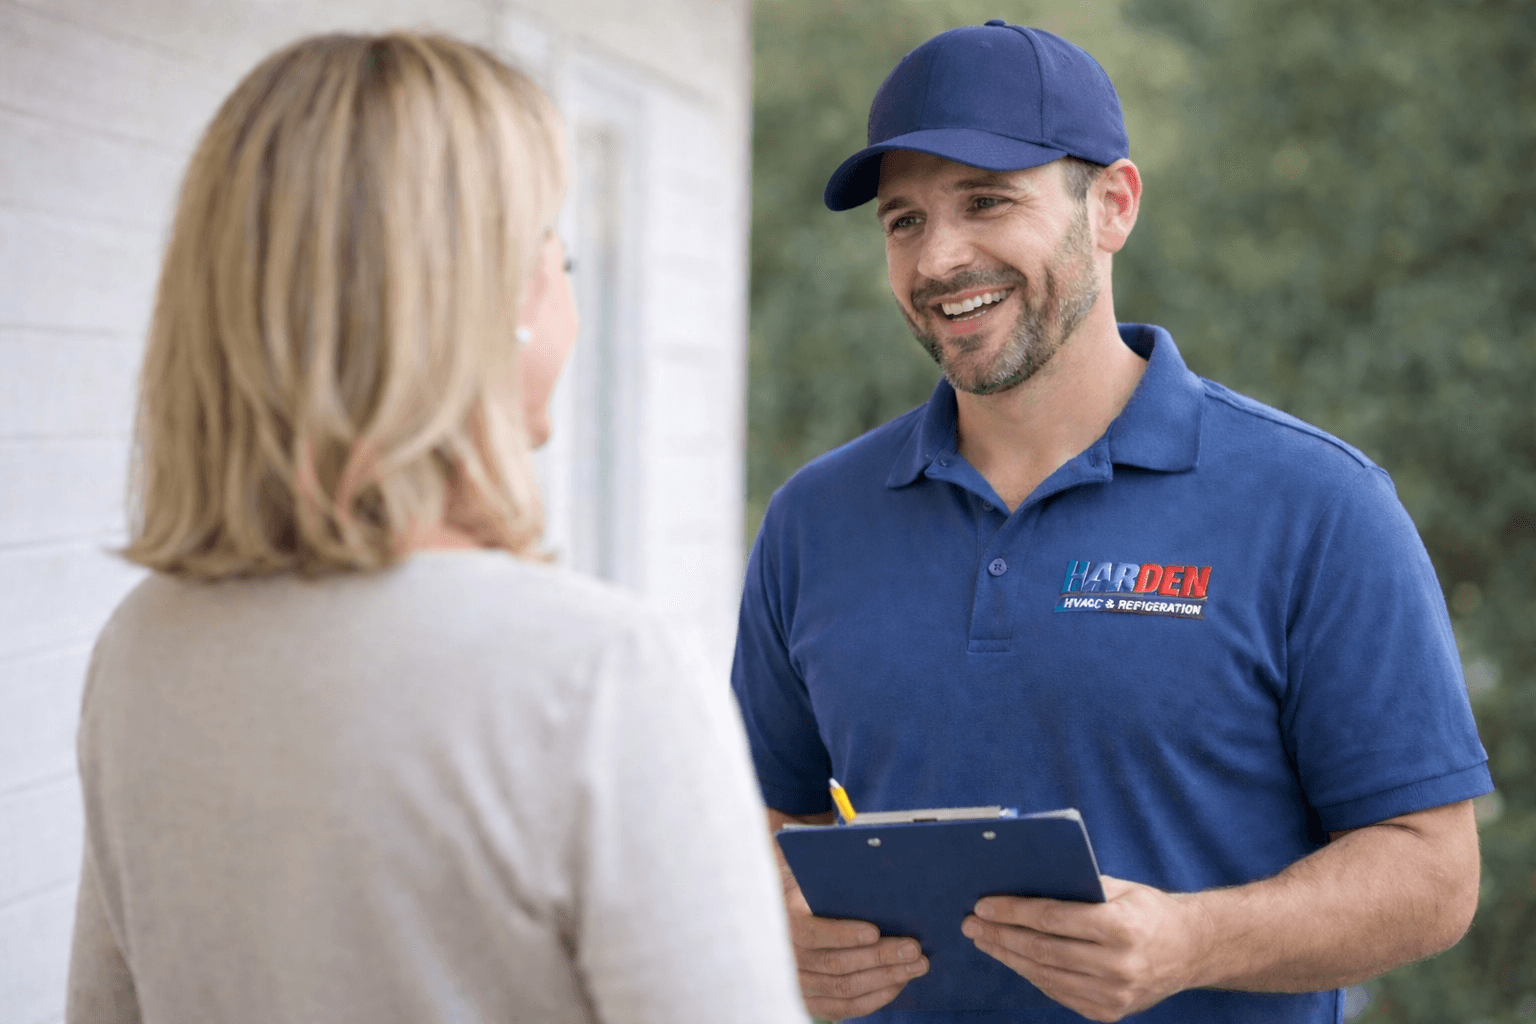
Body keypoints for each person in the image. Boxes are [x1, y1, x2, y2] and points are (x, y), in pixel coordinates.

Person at [730, 20, 1491, 1024]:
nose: (939, 257)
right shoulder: (812, 523)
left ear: (1113, 205)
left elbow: (1433, 875)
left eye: (988, 201)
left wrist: (1192, 940)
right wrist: (776, 924)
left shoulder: (1318, 505)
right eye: (904, 220)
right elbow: (756, 817)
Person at [66, 33, 806, 1024]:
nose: (572, 298)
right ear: (489, 301)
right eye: (562, 256)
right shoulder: (597, 678)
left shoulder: (141, 647)